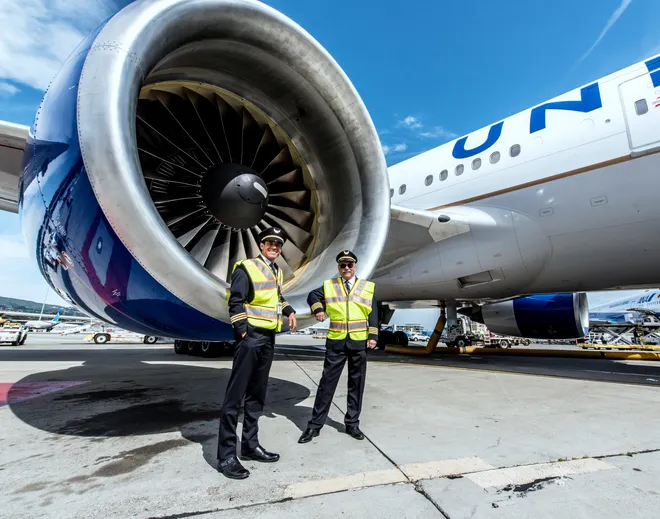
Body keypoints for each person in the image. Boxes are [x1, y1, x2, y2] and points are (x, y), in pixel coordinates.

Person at [216, 226, 297, 480]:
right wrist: (242, 330)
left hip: (268, 338)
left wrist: (289, 310)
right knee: (235, 397)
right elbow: (235, 300)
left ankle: (250, 445)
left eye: (278, 244)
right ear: (261, 245)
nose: (274, 246)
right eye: (270, 242)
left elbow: (276, 297)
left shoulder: (277, 271)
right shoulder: (246, 267)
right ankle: (227, 455)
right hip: (250, 338)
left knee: (257, 395)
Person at [298, 250, 378, 443]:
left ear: (355, 266)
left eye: (350, 264)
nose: (347, 268)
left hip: (359, 341)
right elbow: (312, 296)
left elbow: (373, 312)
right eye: (343, 265)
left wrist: (373, 335)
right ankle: (315, 425)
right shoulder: (329, 286)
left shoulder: (367, 286)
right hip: (336, 342)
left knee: (356, 385)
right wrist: (318, 309)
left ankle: (352, 424)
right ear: (339, 268)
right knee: (327, 384)